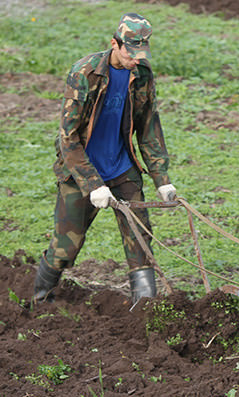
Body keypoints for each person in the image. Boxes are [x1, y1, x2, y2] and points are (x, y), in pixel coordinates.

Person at [33, 13, 177, 305]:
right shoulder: (84, 74)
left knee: (140, 242)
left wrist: (162, 179)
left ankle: (145, 309)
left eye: (141, 53)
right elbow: (68, 138)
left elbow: (149, 126)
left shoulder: (142, 76)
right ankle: (40, 299)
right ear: (114, 43)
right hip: (82, 171)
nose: (136, 59)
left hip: (122, 169)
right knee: (66, 247)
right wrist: (93, 183)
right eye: (130, 53)